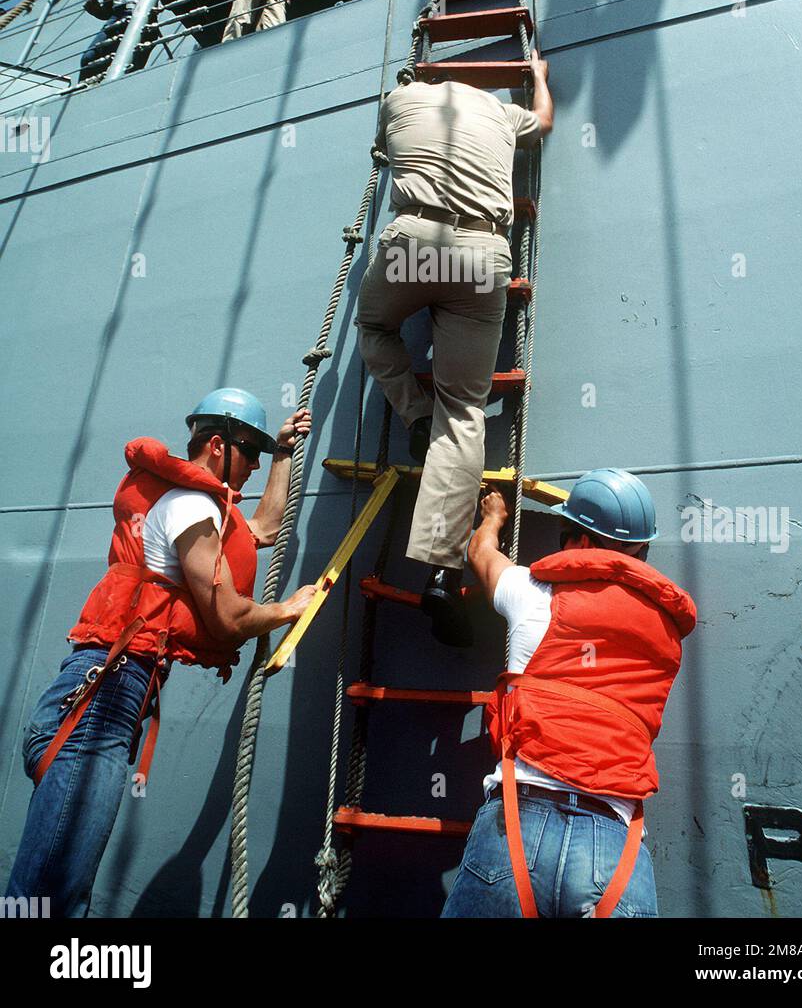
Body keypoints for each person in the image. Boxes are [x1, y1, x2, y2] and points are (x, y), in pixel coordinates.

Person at [6, 388, 316, 918]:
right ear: (218, 446)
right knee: (46, 902)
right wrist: (289, 609)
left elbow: (261, 528)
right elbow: (226, 617)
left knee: (55, 898)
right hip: (99, 701)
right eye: (253, 453)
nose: (255, 466)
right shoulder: (193, 506)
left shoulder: (201, 506)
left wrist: (285, 455)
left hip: (107, 696)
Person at [356, 54, 553, 646]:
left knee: (374, 327)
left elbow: (383, 150)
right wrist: (539, 77)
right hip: (481, 253)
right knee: (464, 411)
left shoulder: (399, 100)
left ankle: (415, 418)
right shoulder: (501, 109)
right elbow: (543, 122)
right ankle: (442, 572)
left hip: (414, 241)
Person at [442, 472, 697, 918]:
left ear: (576, 540)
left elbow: (481, 555)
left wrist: (494, 518)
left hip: (517, 826)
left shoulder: (531, 590)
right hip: (613, 842)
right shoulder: (668, 631)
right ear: (641, 550)